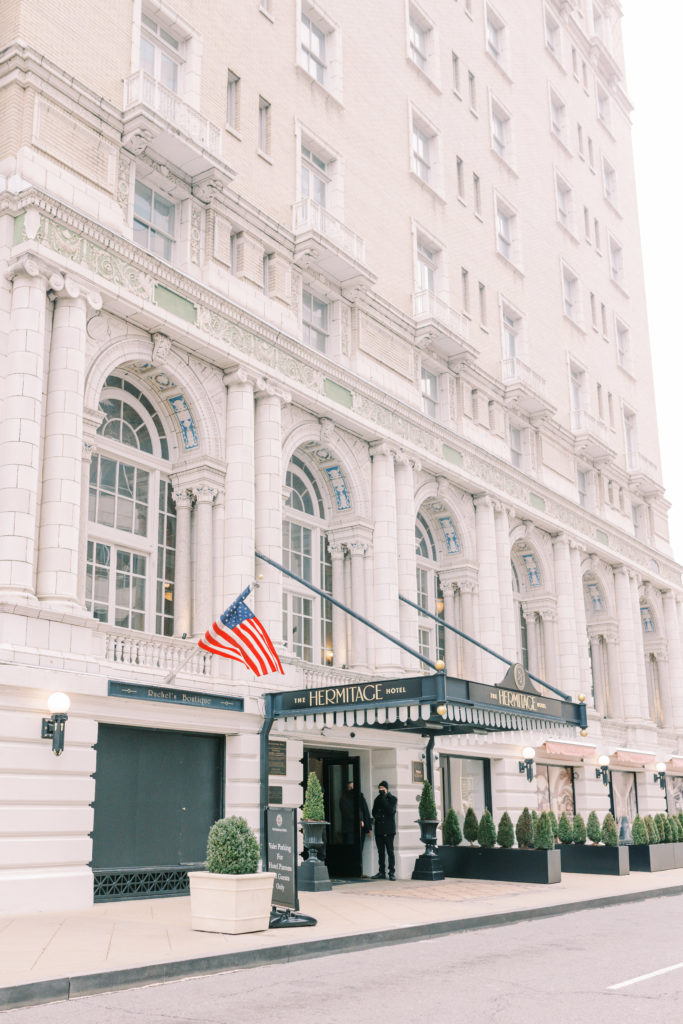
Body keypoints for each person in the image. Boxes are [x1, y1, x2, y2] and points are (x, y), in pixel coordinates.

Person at [371, 780, 397, 880]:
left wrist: (384, 798)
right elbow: (373, 812)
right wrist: (377, 816)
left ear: (386, 789)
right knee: (380, 852)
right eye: (379, 788)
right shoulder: (377, 799)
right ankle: (381, 872)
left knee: (390, 851)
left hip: (389, 829)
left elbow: (391, 811)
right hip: (379, 829)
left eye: (382, 788)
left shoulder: (392, 799)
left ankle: (391, 872)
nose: (380, 790)